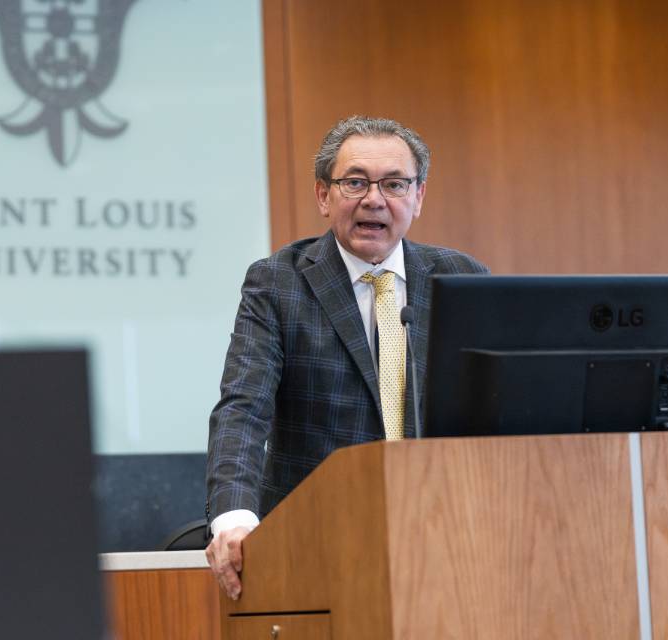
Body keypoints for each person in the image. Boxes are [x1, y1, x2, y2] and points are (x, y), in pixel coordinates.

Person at [204, 116, 488, 599]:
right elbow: (243, 407)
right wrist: (234, 517)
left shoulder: (461, 279)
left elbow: (495, 411)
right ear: (323, 195)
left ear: (418, 197)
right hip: (315, 539)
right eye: (355, 182)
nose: (374, 199)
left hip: (443, 536)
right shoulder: (278, 282)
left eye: (394, 184)